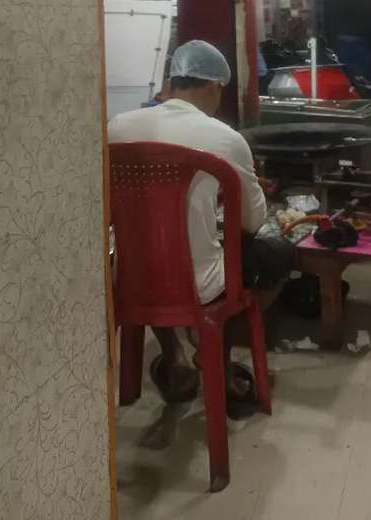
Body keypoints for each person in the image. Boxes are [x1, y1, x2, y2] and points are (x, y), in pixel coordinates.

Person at [108, 39, 293, 412]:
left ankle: (172, 356)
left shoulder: (118, 127)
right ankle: (213, 358)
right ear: (212, 86)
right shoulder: (223, 138)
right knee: (274, 255)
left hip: (124, 273)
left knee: (154, 256)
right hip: (198, 285)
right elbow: (252, 221)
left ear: (174, 81)